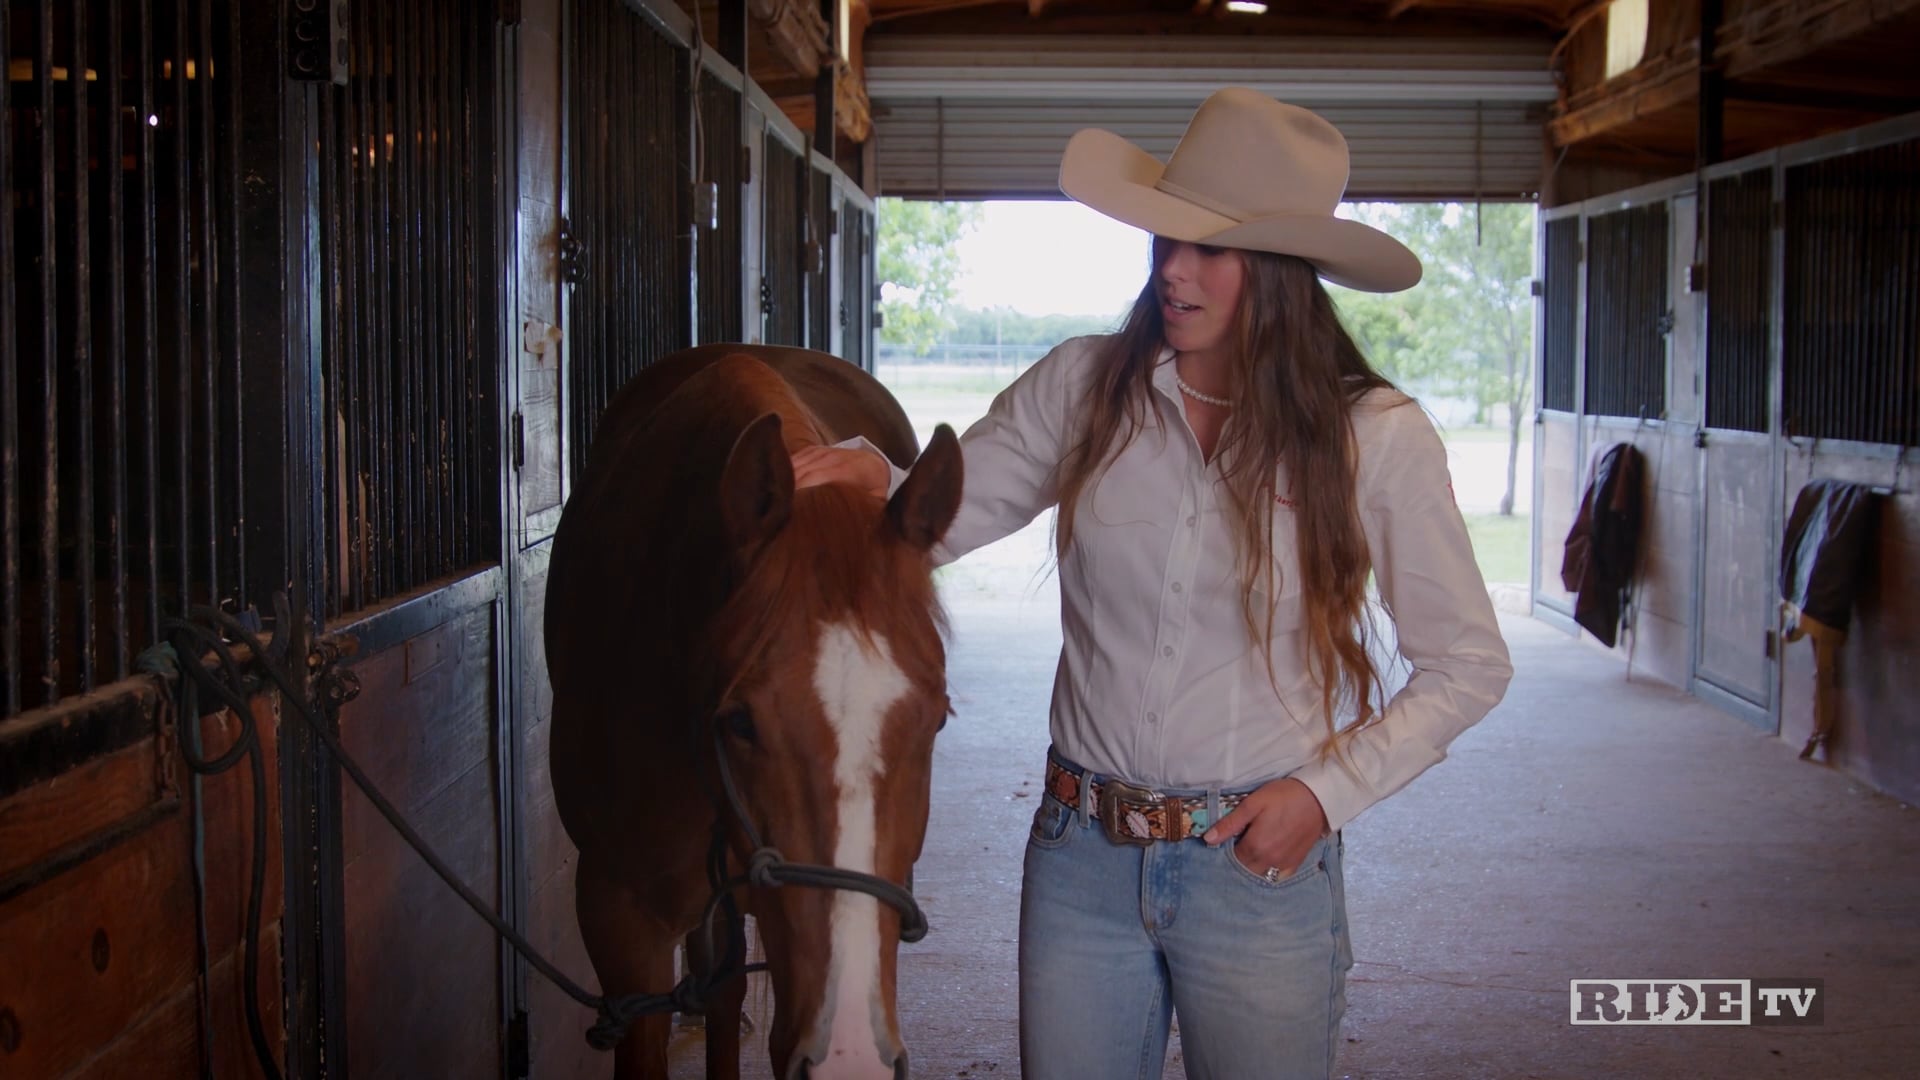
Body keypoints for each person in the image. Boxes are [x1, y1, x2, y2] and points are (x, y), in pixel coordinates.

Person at [792, 87, 1513, 1080]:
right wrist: (875, 477)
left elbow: (1469, 663)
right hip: (1079, 857)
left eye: (1212, 248)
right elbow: (932, 521)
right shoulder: (1083, 389)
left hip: (1256, 868)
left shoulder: (1374, 436)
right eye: (1167, 238)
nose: (1173, 268)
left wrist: (1323, 796)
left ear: (1283, 270)